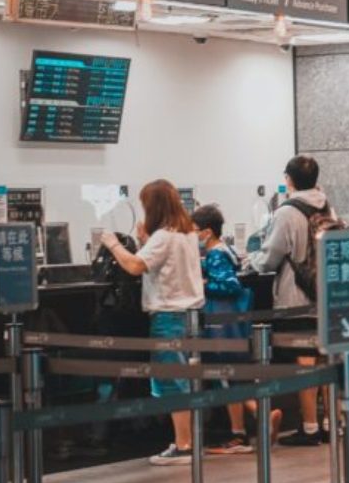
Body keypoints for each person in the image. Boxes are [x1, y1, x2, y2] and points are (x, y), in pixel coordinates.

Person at [102, 180, 206, 465]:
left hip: (169, 317)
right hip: (192, 315)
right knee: (186, 380)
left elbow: (135, 266)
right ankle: (190, 440)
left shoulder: (165, 236)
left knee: (173, 382)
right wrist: (146, 242)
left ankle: (184, 445)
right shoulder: (186, 234)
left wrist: (112, 243)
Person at [249, 155, 331, 446]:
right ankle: (328, 422)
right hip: (324, 293)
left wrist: (253, 260)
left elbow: (271, 255)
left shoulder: (287, 211)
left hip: (296, 296)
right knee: (323, 359)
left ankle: (308, 427)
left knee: (304, 361)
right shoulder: (327, 205)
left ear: (289, 179)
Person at [192, 205, 263, 456]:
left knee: (225, 376)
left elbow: (228, 285)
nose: (194, 236)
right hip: (233, 322)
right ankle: (251, 422)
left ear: (208, 232)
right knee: (233, 376)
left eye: (196, 231)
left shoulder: (215, 254)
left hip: (220, 323)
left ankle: (243, 429)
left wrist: (204, 285)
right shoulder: (227, 250)